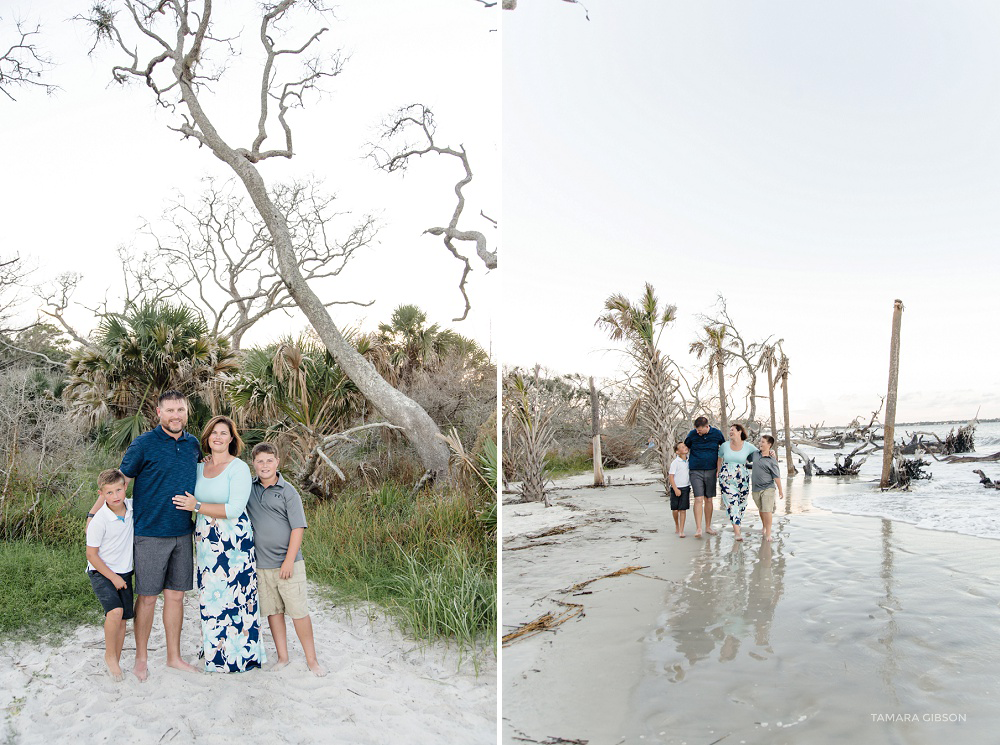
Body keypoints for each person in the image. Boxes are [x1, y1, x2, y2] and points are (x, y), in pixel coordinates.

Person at [118, 390, 202, 680]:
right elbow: (120, 483)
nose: (175, 415)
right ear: (158, 413)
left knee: (176, 597)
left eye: (180, 409)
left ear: (187, 411)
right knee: (148, 598)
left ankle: (173, 657)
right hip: (150, 534)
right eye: (170, 410)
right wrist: (95, 515)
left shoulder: (193, 445)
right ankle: (141, 659)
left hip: (183, 533)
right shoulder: (143, 444)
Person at [172, 415, 265, 672]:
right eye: (214, 432)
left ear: (232, 439)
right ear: (207, 438)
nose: (218, 437)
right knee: (211, 598)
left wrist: (197, 506)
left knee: (236, 598)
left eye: (224, 433)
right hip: (206, 543)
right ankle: (215, 650)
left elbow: (235, 508)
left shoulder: (239, 468)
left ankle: (240, 656)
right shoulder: (200, 467)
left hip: (233, 542)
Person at [246, 442, 326, 677]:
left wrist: (289, 560)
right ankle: (283, 656)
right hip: (262, 565)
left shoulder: (288, 491)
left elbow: (298, 527)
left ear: (277, 462)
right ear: (254, 464)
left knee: (298, 612)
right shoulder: (249, 489)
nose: (264, 465)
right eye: (260, 461)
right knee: (274, 612)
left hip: (288, 563)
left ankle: (312, 660)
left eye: (269, 460)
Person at [85, 469, 134, 682]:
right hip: (101, 571)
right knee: (114, 612)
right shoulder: (100, 519)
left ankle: (117, 656)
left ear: (125, 488)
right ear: (101, 494)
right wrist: (113, 577)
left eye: (118, 490)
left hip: (124, 571)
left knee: (123, 619)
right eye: (109, 492)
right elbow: (91, 555)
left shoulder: (132, 508)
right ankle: (109, 655)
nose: (115, 496)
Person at [684, 416, 726, 538]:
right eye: (697, 430)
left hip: (711, 470)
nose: (698, 432)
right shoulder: (692, 434)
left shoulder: (717, 434)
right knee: (698, 499)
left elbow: (724, 449)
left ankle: (707, 527)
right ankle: (698, 529)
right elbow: (685, 447)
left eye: (700, 430)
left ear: (707, 426)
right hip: (695, 469)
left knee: (709, 499)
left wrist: (720, 468)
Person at [717, 423, 758, 542]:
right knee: (732, 503)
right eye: (729, 430)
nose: (730, 432)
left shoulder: (748, 446)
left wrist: (771, 453)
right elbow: (719, 457)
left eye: (733, 430)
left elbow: (760, 454)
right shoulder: (724, 446)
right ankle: (737, 532)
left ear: (740, 432)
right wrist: (718, 470)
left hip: (743, 478)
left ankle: (737, 524)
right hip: (726, 478)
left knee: (742, 503)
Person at [748, 434, 784, 542]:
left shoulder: (772, 460)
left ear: (769, 445)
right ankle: (764, 527)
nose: (760, 444)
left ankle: (768, 534)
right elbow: (744, 456)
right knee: (761, 510)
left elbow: (776, 476)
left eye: (763, 442)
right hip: (755, 488)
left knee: (767, 510)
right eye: (760, 441)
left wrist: (781, 490)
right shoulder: (755, 454)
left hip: (768, 487)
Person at [668, 442, 691, 538]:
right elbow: (671, 477)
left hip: (686, 487)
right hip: (675, 488)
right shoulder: (675, 463)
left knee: (683, 509)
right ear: (677, 452)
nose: (685, 447)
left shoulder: (690, 460)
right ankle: (677, 525)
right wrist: (675, 489)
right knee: (675, 509)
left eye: (685, 446)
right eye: (682, 447)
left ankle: (681, 530)